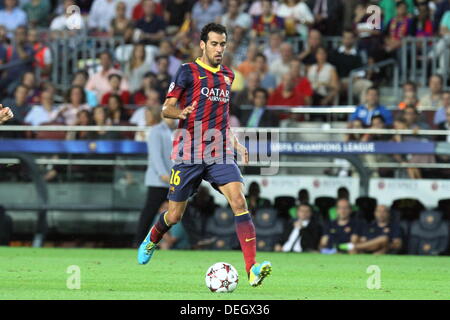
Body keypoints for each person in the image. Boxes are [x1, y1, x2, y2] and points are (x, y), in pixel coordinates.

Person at [137, 23, 272, 287]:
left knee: (239, 202)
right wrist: (181, 113)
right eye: (214, 43)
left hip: (219, 151)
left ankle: (252, 269)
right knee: (174, 216)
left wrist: (236, 143)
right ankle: (152, 238)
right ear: (202, 44)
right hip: (189, 152)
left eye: (223, 44)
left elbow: (222, 118)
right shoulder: (188, 71)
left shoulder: (228, 76)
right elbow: (167, 108)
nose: (219, 49)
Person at [134, 106, 174, 246]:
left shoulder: (178, 131)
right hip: (159, 180)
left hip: (173, 179)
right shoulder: (157, 131)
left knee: (182, 211)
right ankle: (138, 241)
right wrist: (163, 174)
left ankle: (196, 240)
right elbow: (156, 155)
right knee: (149, 212)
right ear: (163, 116)